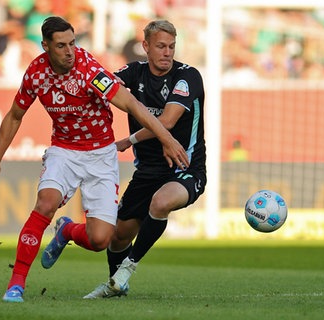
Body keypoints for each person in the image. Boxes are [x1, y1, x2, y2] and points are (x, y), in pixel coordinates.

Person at [0, 16, 189, 303]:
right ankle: (16, 285)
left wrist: (167, 138)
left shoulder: (89, 70)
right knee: (46, 203)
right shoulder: (36, 73)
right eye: (61, 45)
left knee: (100, 240)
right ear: (46, 46)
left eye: (72, 43)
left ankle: (67, 230)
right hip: (63, 151)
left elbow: (131, 104)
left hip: (101, 155)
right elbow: (15, 115)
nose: (69, 51)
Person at [41, 19, 207, 299]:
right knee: (114, 237)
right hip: (146, 172)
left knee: (162, 202)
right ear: (145, 47)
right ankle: (73, 237)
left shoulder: (187, 76)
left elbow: (166, 122)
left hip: (185, 167)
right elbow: (101, 88)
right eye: (161, 46)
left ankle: (127, 270)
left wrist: (127, 141)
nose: (167, 52)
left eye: (171, 47)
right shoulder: (133, 73)